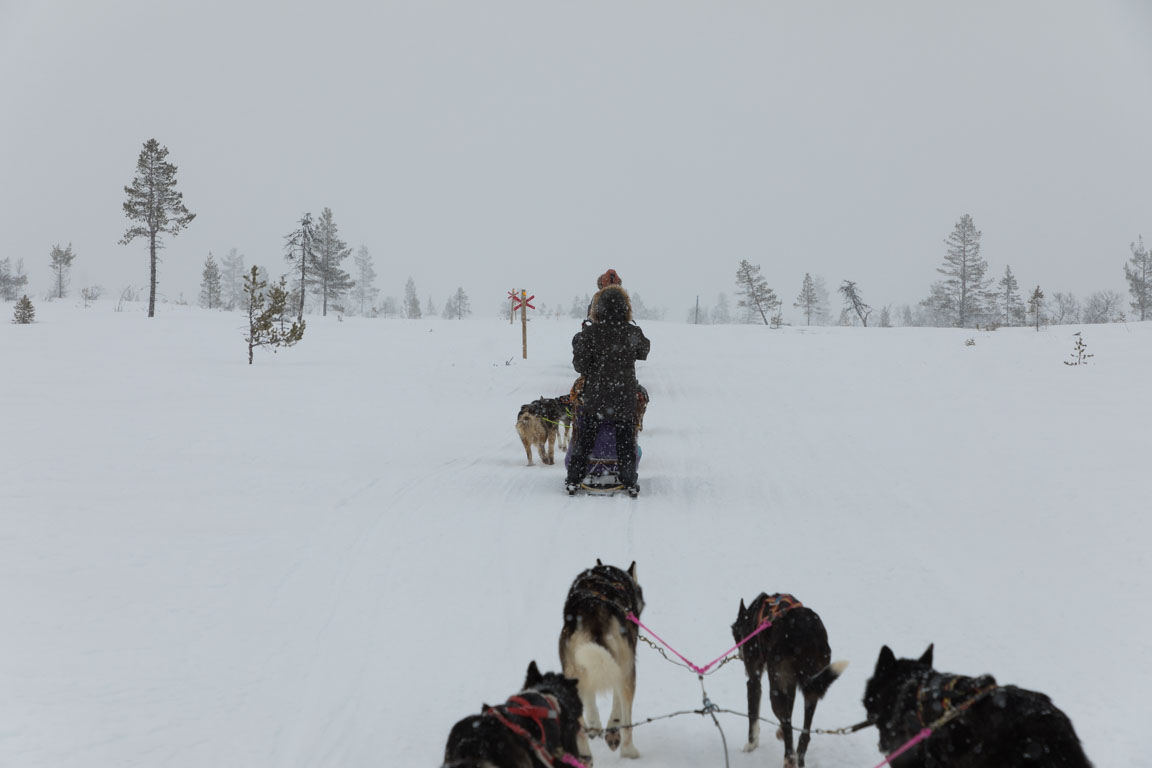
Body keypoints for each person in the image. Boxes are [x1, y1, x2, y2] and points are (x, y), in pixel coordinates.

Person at [565, 285, 650, 494]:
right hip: (624, 397)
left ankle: (574, 478)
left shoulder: (590, 333)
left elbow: (580, 366)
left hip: (595, 398)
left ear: (598, 308)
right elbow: (644, 351)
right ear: (625, 308)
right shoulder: (632, 332)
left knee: (584, 439)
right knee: (626, 441)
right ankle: (629, 480)